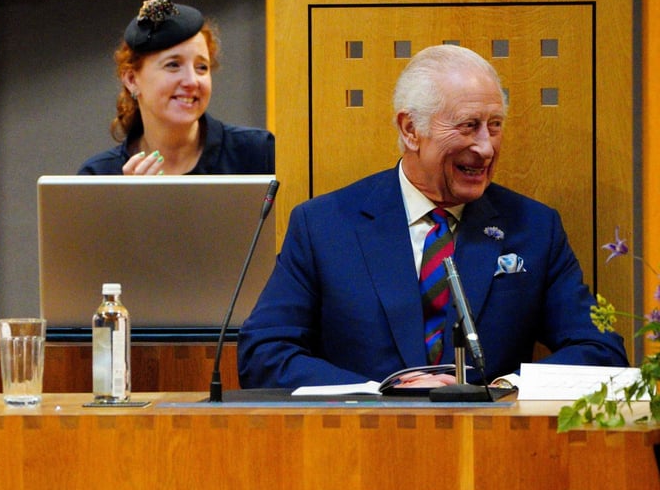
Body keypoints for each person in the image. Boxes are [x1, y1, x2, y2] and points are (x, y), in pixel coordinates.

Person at [237, 44, 628, 389]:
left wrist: (507, 387)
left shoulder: (533, 228)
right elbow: (264, 354)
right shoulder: (324, 226)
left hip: (489, 450)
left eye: (495, 126)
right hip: (357, 449)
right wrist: (376, 392)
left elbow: (600, 351)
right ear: (410, 129)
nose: (486, 148)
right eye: (468, 126)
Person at [79, 0, 274, 175]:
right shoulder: (99, 176)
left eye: (201, 67)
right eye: (173, 65)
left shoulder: (258, 155)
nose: (191, 81)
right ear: (131, 80)